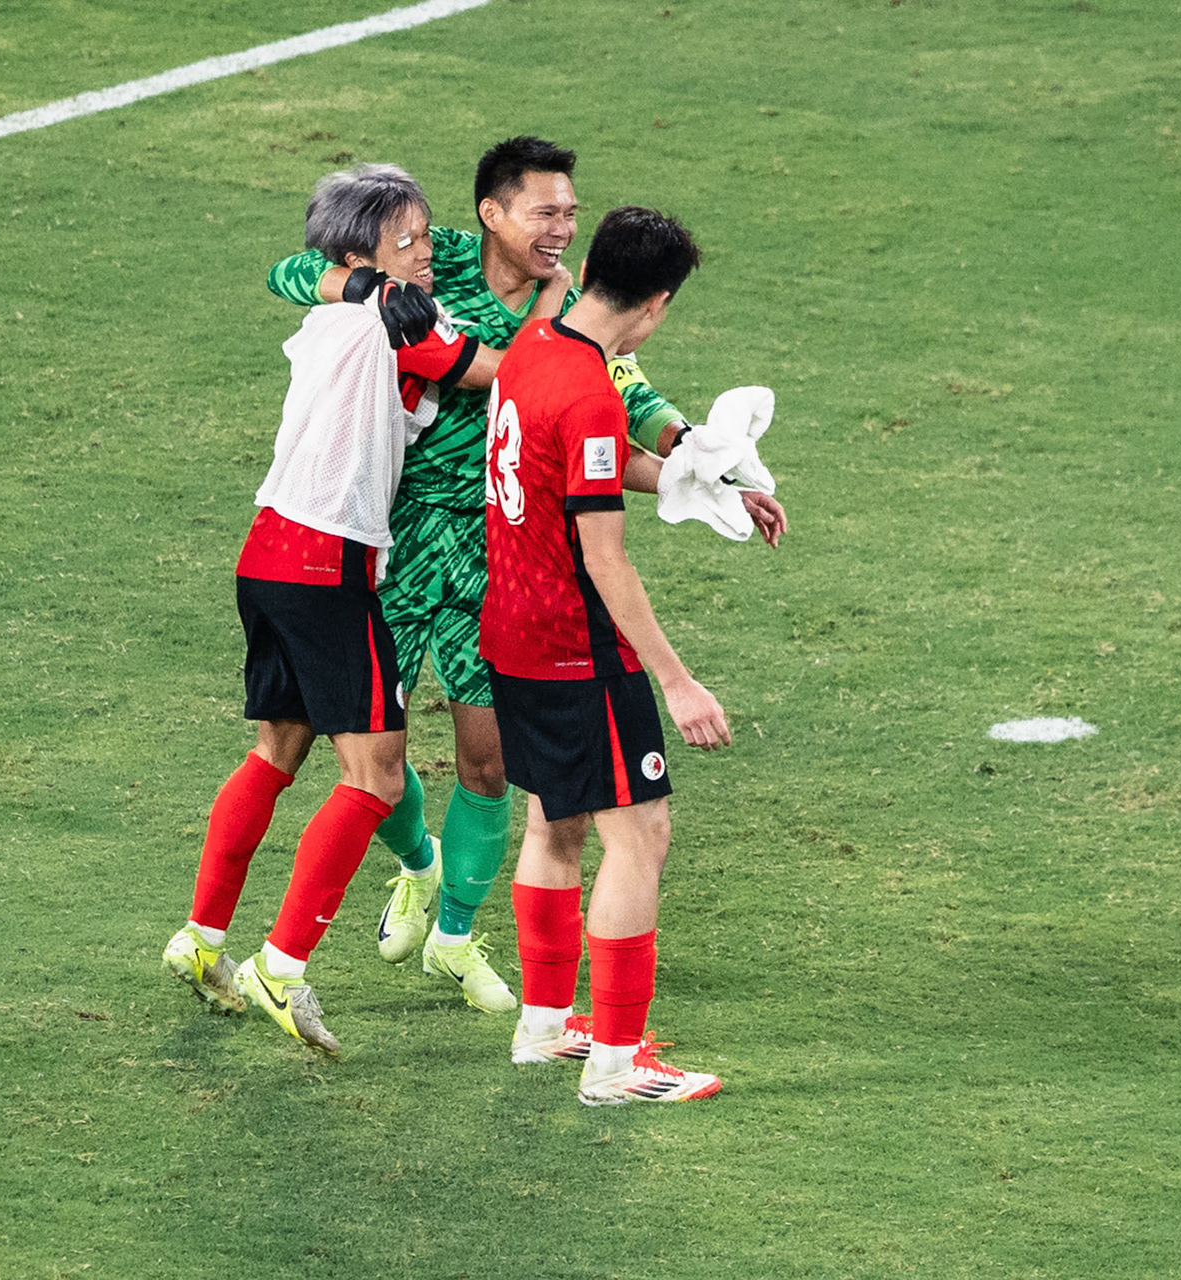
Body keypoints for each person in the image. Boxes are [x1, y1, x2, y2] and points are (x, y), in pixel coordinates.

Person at [265, 138, 787, 1015]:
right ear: (492, 215)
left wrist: (702, 457)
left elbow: (629, 397)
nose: (559, 229)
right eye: (544, 212)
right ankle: (420, 868)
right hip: (396, 538)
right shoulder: (430, 261)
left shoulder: (571, 319)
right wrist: (363, 288)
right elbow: (289, 271)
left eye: (570, 214)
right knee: (373, 755)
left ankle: (457, 938)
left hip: (493, 555)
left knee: (489, 762)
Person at [162, 164, 552, 1053]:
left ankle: (201, 939)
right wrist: (571, 321)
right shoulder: (394, 322)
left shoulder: (345, 309)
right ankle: (283, 966)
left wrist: (372, 282)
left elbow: (304, 275)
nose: (422, 256)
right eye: (403, 243)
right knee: (374, 777)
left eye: (424, 238)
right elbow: (498, 374)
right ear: (358, 257)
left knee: (276, 752)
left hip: (267, 551)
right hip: (329, 565)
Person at [482, 206, 728, 1104]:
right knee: (641, 832)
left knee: (557, 820)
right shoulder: (591, 389)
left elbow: (574, 459)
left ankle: (545, 1029)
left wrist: (691, 480)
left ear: (588, 267)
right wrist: (678, 680)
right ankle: (620, 1068)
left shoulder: (536, 345)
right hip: (576, 646)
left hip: (509, 627)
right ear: (657, 306)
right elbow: (604, 556)